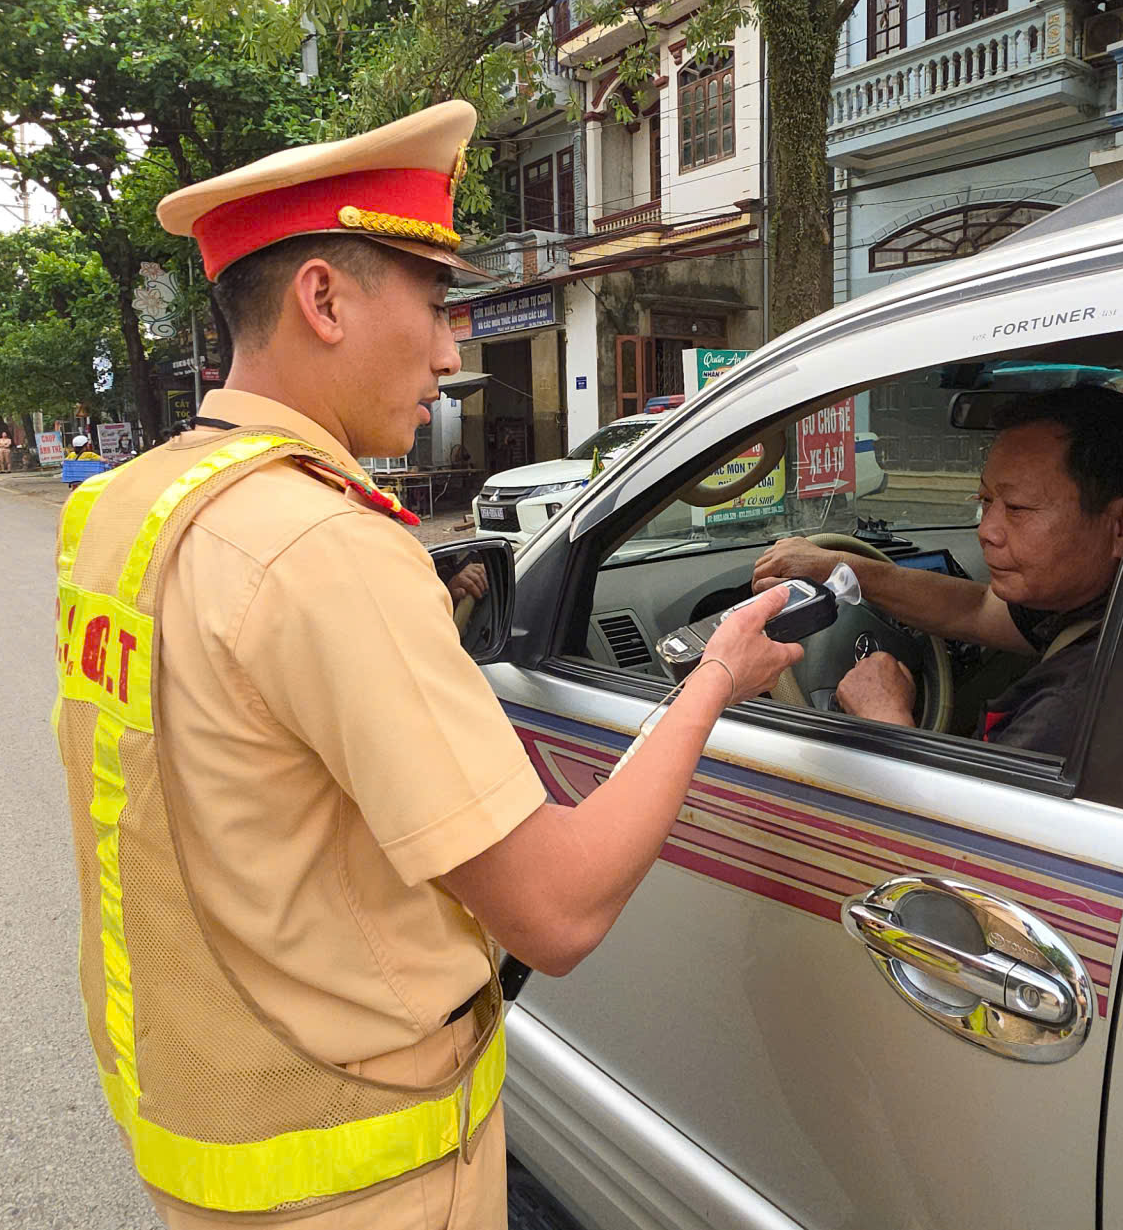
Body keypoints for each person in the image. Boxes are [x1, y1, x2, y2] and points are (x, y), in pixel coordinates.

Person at [52, 101, 801, 1230]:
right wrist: (714, 677)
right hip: (366, 1178)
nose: (453, 352)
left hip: (215, 1136)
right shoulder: (330, 553)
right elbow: (555, 909)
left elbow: (239, 743)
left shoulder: (124, 509)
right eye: (438, 305)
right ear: (324, 297)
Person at [751, 384, 1123, 762]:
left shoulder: (1078, 707)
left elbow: (967, 839)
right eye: (985, 499)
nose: (986, 530)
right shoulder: (1121, 607)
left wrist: (884, 717)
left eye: (1017, 508)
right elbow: (977, 608)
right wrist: (841, 566)